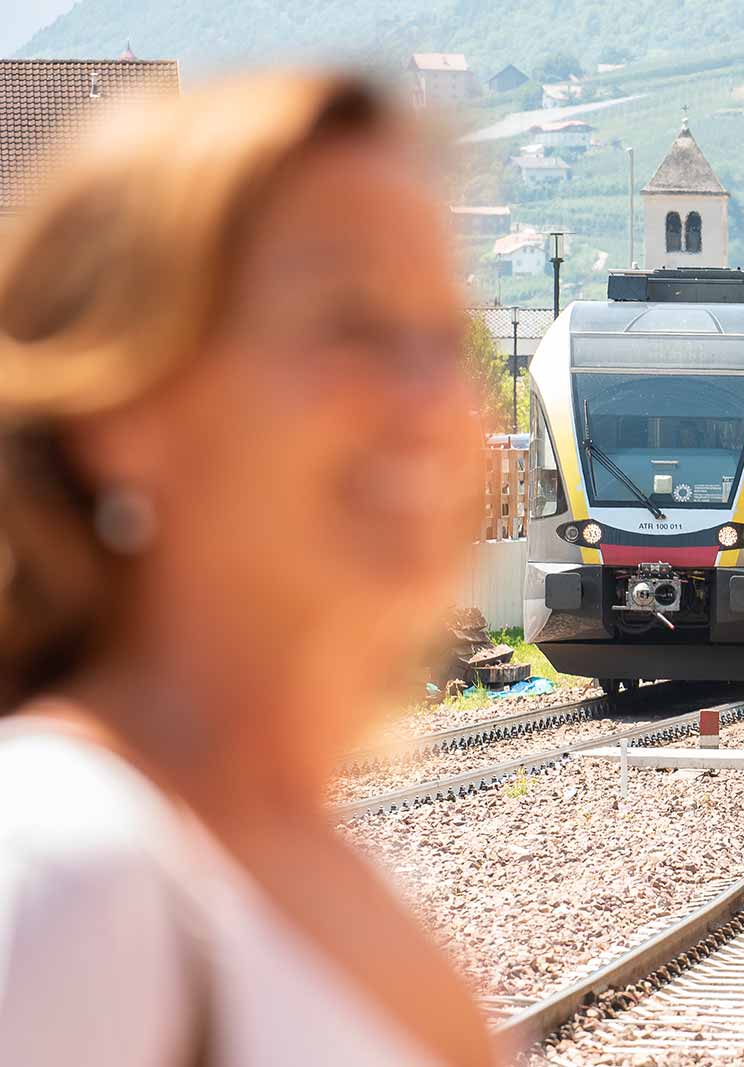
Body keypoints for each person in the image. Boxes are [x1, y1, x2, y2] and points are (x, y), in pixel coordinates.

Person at [0, 73, 496, 1065]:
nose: (430, 401)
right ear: (125, 407)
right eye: (349, 325)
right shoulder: (63, 871)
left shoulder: (277, 853)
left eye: (442, 338)